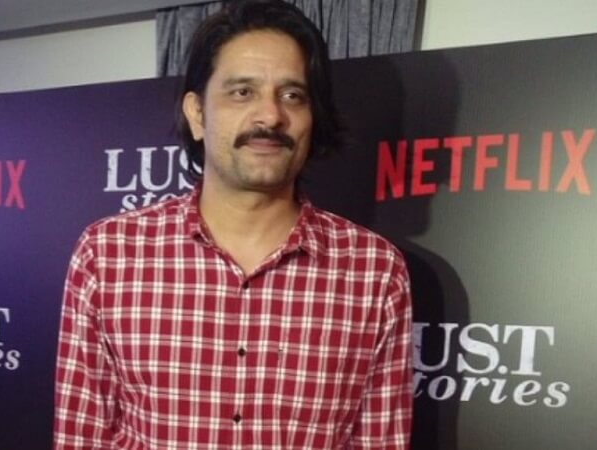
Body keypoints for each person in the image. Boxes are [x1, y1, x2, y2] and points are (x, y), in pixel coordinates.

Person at [53, 0, 413, 448]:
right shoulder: (108, 254)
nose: (270, 116)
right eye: (242, 92)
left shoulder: (375, 270)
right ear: (197, 113)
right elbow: (83, 437)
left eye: (292, 95)